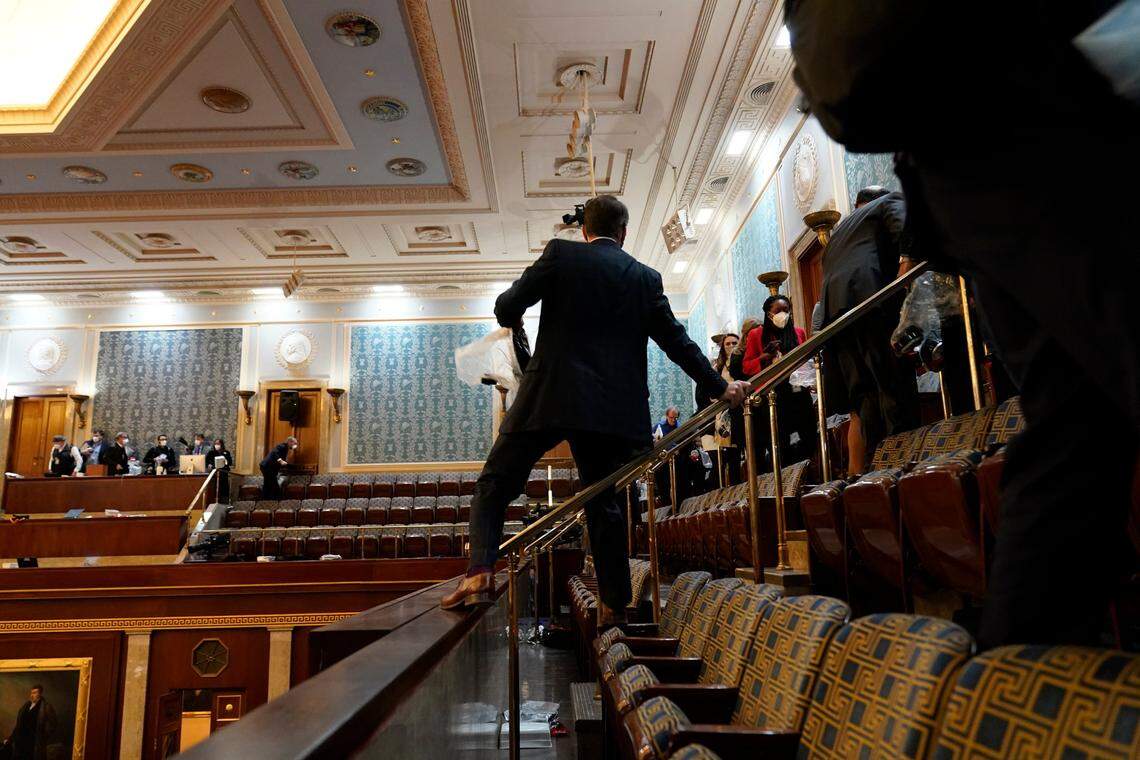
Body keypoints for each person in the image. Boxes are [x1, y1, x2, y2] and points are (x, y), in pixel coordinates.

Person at [785, 1, 1139, 648]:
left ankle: (1018, 697)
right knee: (1070, 424)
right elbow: (906, 251)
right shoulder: (878, 215)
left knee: (1069, 429)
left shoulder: (848, 228)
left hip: (957, 174)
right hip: (1040, 104)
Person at [441, 194, 749, 616]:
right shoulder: (645, 277)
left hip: (547, 395)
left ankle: (479, 572)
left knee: (495, 482)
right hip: (609, 411)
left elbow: (505, 307)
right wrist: (719, 388)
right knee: (602, 504)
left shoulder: (560, 255)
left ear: (585, 231)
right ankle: (614, 607)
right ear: (623, 232)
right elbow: (679, 343)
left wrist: (517, 320)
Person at [817, 187, 920, 473]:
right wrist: (906, 267)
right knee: (892, 385)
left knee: (865, 398)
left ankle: (879, 476)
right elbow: (906, 230)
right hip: (871, 300)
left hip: (836, 316)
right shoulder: (891, 200)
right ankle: (904, 470)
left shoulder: (840, 231)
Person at [742, 295, 817, 467]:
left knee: (809, 436)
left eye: (786, 310)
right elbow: (746, 367)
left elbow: (806, 358)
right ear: (768, 314)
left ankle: (806, 471)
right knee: (781, 443)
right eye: (778, 311)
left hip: (798, 391)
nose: (782, 314)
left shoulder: (798, 332)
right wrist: (764, 357)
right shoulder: (756, 334)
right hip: (774, 395)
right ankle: (786, 479)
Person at [2, 684, 58, 760]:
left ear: (40, 694)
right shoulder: (26, 705)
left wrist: (43, 735)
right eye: (31, 693)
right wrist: (10, 739)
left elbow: (53, 724)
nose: (32, 695)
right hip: (21, 742)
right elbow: (19, 725)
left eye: (35, 693)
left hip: (34, 743)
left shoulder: (46, 707)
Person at [205, 438, 233, 503]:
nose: (216, 445)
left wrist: (225, 461)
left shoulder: (226, 452)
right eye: (215, 444)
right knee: (214, 490)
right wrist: (209, 465)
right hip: (213, 474)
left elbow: (230, 462)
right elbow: (206, 462)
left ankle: (224, 502)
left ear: (221, 444)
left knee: (223, 491)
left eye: (218, 444)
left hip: (223, 474)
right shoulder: (211, 453)